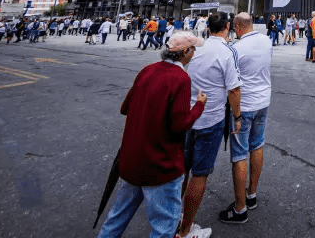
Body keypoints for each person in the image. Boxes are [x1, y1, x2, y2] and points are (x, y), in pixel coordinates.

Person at [96, 33, 207, 238]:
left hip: (133, 159)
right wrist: (199, 106)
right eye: (193, 50)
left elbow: (125, 107)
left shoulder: (147, 70)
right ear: (185, 52)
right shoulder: (181, 78)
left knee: (117, 217)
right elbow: (179, 125)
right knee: (165, 224)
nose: (194, 54)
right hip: (160, 164)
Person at [180, 13, 242, 238]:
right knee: (200, 174)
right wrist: (237, 116)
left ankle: (175, 218)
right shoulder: (227, 51)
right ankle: (186, 230)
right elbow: (234, 89)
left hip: (188, 117)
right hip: (211, 120)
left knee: (182, 170)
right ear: (228, 27)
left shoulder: (195, 49)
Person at [219, 13, 272, 224]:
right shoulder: (267, 41)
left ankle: (240, 209)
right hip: (263, 101)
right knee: (257, 146)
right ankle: (252, 195)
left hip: (244, 105)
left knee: (239, 154)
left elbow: (230, 81)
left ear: (238, 27)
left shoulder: (236, 49)